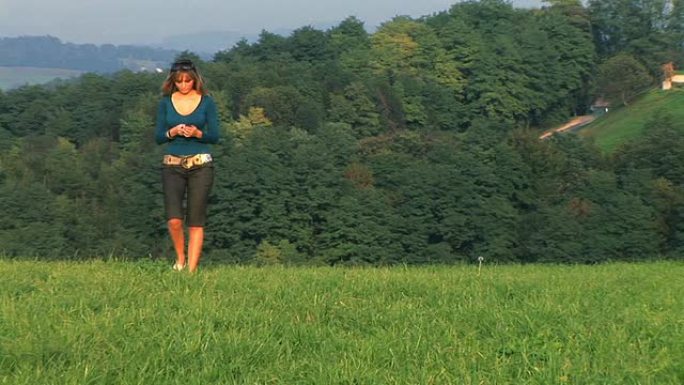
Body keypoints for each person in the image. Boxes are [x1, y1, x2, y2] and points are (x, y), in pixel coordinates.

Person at [155, 59, 219, 273]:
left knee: (195, 220)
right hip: (172, 165)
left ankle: (191, 270)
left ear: (195, 80)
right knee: (174, 219)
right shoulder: (165, 102)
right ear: (173, 82)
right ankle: (180, 258)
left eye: (187, 81)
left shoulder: (207, 102)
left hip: (201, 165)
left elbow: (215, 136)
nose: (183, 85)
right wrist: (171, 132)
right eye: (179, 82)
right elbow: (158, 137)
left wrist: (197, 133)